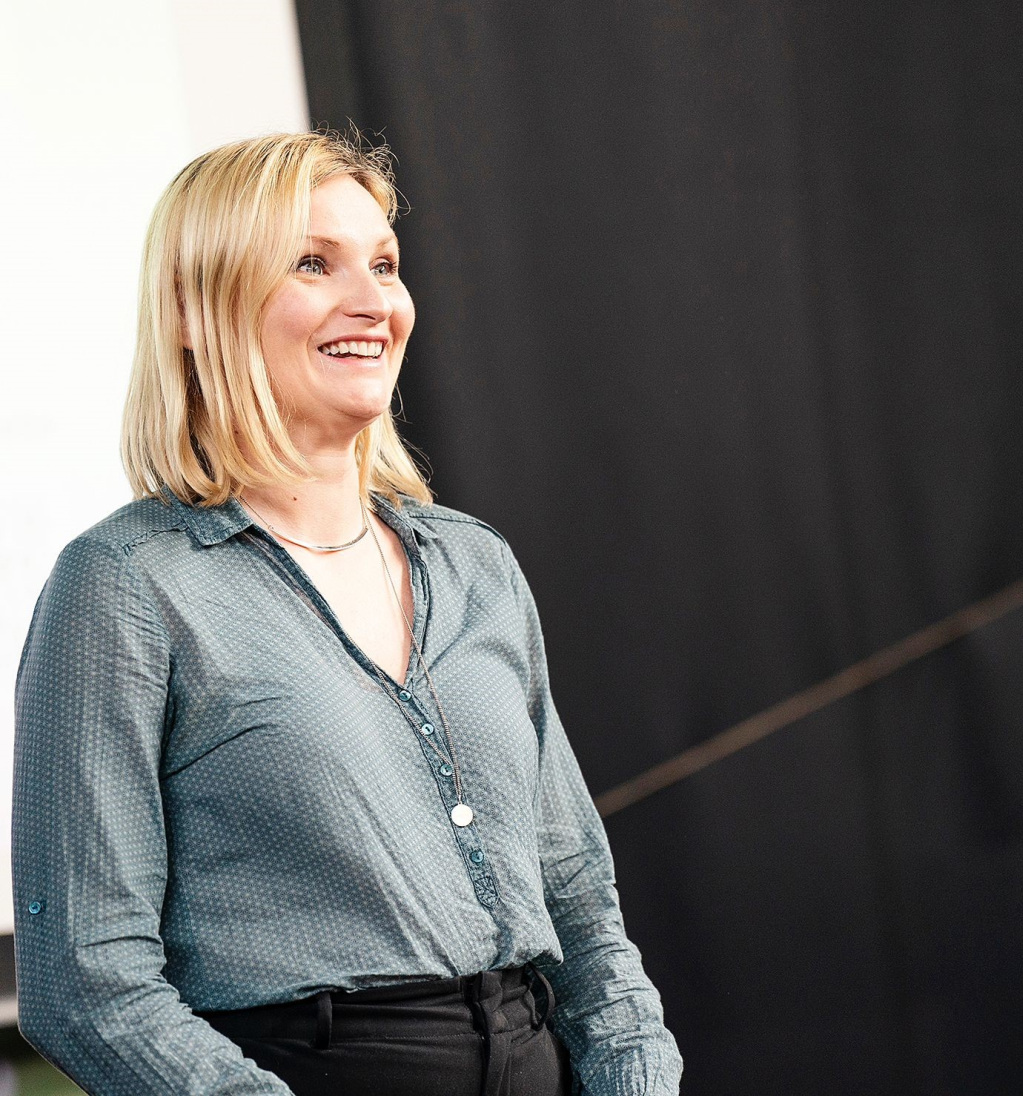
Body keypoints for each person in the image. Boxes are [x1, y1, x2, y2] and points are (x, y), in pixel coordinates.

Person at [12, 131, 683, 1096]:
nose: (374, 303)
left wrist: (636, 1077)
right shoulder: (124, 586)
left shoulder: (475, 564)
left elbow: (580, 904)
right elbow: (85, 986)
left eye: (385, 265)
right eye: (313, 263)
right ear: (193, 310)